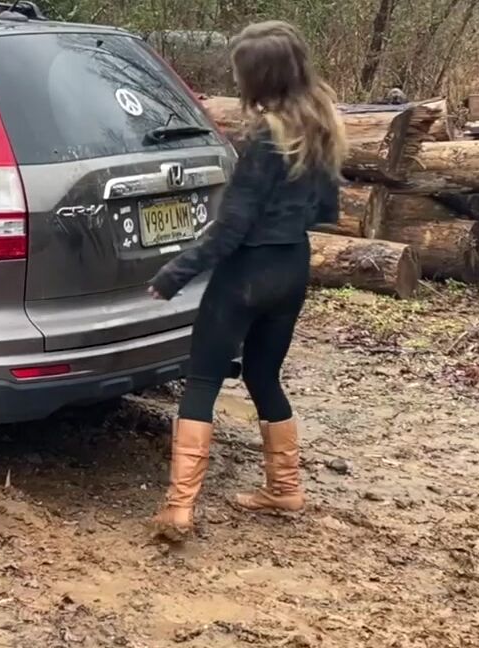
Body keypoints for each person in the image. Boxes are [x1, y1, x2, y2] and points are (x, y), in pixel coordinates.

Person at [147, 20, 347, 540]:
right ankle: (284, 489)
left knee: (202, 380)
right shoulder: (321, 128)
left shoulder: (264, 140)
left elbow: (231, 228)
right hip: (291, 269)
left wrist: (174, 273)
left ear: (257, 76)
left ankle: (178, 508)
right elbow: (326, 209)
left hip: (246, 273)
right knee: (263, 377)